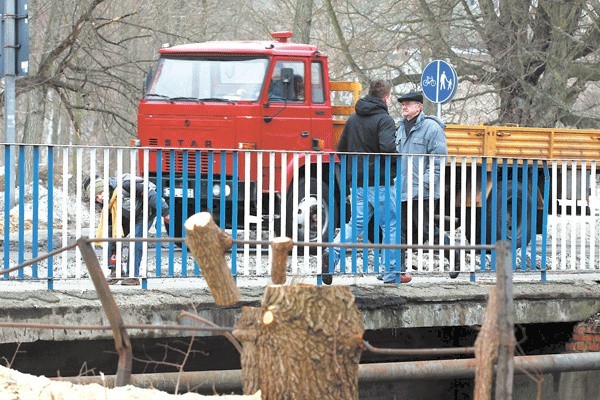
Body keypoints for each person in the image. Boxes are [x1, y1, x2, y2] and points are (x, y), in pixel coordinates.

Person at [322, 80, 407, 285]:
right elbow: (387, 147)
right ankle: (392, 272)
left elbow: (341, 148)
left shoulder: (353, 119)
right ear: (386, 97)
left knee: (355, 224)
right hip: (380, 182)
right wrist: (397, 159)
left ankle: (331, 255)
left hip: (358, 183)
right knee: (391, 225)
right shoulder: (384, 120)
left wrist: (352, 173)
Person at [393, 91, 460, 280]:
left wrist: (425, 182)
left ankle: (453, 253)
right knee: (401, 230)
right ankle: (399, 268)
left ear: (419, 107)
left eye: (408, 104)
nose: (404, 107)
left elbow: (439, 159)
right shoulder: (400, 128)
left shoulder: (431, 127)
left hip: (423, 191)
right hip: (403, 190)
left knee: (426, 229)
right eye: (402, 104)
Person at [86, 174, 170, 285]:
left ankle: (133, 276)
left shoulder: (125, 186)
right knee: (111, 238)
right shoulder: (107, 204)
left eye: (100, 193)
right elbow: (111, 225)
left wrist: (165, 212)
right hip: (127, 216)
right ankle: (115, 271)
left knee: (135, 241)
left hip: (143, 214)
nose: (100, 198)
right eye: (96, 198)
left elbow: (150, 194)